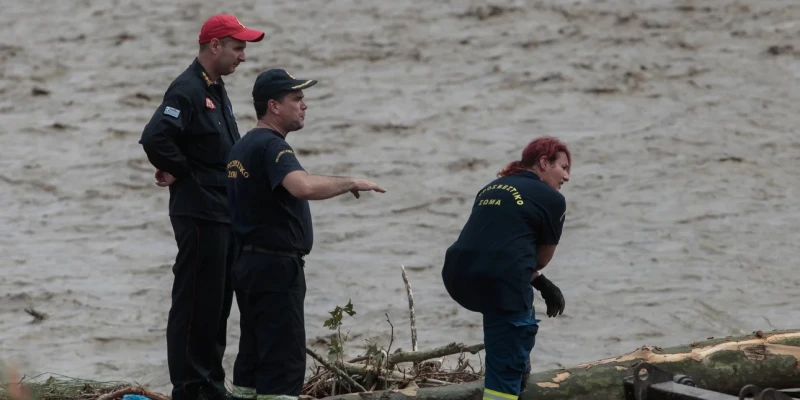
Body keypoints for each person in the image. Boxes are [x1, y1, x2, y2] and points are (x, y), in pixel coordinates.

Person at [225, 69, 387, 399]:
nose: (304, 105)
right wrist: (351, 182)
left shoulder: (240, 148)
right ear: (274, 106)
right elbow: (303, 186)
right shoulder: (273, 147)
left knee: (252, 358)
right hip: (275, 268)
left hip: (246, 264)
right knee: (283, 363)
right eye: (296, 99)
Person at [138, 14, 265, 400]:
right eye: (238, 47)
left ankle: (211, 383)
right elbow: (155, 138)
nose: (243, 56)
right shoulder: (187, 89)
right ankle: (191, 387)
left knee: (218, 302)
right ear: (215, 46)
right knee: (196, 301)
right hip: (198, 212)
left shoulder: (216, 87)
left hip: (221, 210)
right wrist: (182, 171)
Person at [441, 136, 571, 399]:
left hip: (457, 274)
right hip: (500, 281)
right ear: (544, 162)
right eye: (564, 167)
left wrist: (541, 283)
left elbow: (495, 246)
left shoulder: (492, 187)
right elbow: (540, 260)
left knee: (504, 320)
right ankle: (509, 380)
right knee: (506, 368)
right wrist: (540, 278)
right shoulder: (552, 199)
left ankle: (516, 369)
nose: (567, 177)